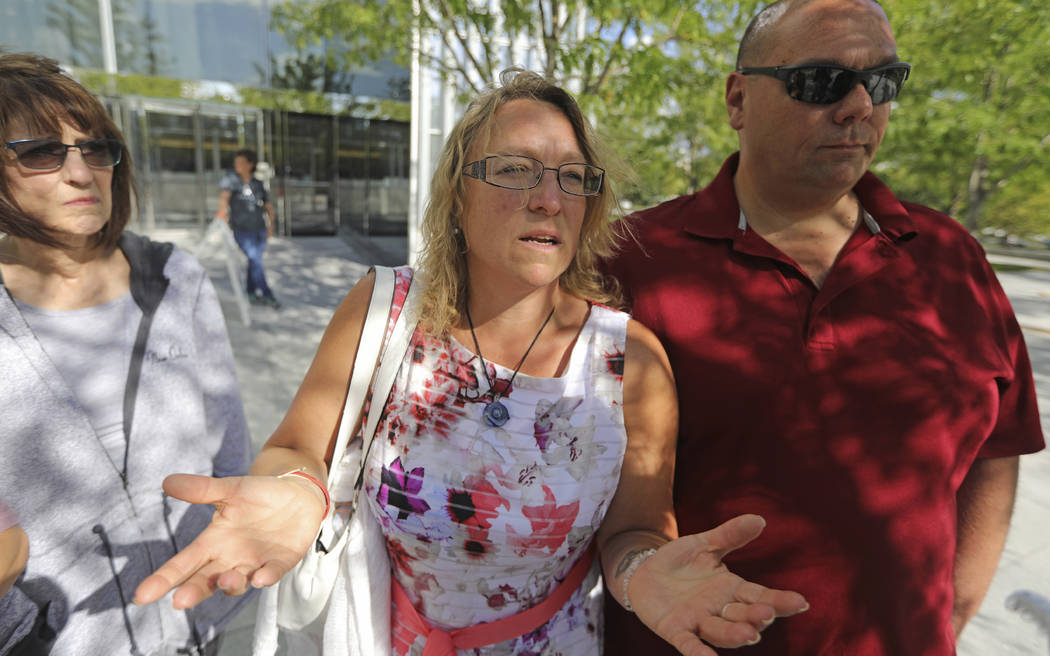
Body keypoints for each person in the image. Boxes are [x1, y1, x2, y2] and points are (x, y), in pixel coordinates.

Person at [135, 69, 808, 655]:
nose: (549, 197)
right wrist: (295, 491)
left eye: (572, 178)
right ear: (459, 194)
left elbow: (634, 528)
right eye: (515, 170)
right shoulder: (384, 309)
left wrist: (643, 572)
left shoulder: (630, 361)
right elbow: (297, 447)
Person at [603, 1, 1046, 655]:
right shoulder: (630, 259)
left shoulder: (952, 258)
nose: (859, 107)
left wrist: (947, 619)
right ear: (737, 100)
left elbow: (996, 445)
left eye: (884, 82)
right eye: (821, 82)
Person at [0, 52, 253, 655]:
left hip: (208, 615)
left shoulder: (174, 278)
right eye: (41, 152)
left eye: (96, 149)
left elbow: (230, 448)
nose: (81, 173)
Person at [216, 147, 280, 308]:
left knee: (254, 262)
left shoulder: (258, 184)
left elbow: (268, 207)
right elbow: (224, 198)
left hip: (259, 229)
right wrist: (222, 213)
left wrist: (271, 227)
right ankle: (267, 294)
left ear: (250, 164)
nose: (237, 165)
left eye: (241, 162)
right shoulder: (231, 179)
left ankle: (251, 292)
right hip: (241, 230)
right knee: (255, 259)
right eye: (236, 162)